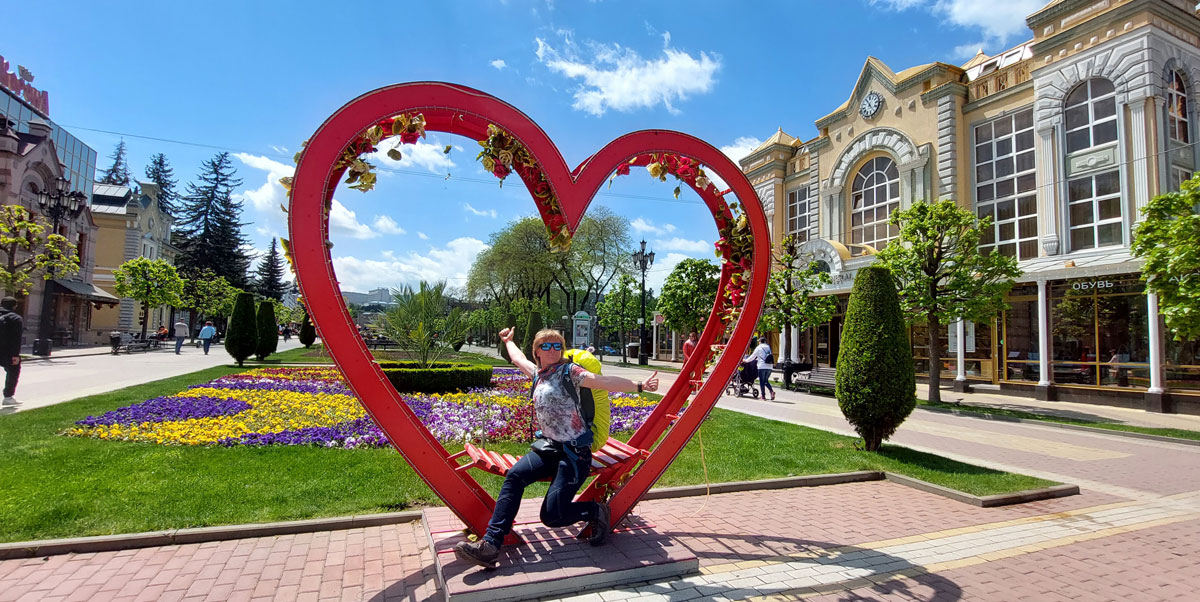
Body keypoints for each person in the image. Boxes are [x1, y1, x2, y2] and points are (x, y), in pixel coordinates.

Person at [454, 327, 660, 569]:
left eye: (557, 346)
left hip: (574, 454)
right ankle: (490, 545)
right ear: (537, 351)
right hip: (549, 448)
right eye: (546, 345)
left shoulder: (570, 372)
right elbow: (517, 358)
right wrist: (508, 340)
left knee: (552, 516)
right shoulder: (537, 374)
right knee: (515, 476)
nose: (552, 350)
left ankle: (595, 510)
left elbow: (603, 382)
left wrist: (640, 385)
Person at [0, 297, 23, 406]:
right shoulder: (15, 318)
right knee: (13, 371)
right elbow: (16, 338)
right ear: (14, 306)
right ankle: (8, 397)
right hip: (7, 351)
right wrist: (16, 355)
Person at [743, 336, 776, 401]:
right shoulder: (768, 347)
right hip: (769, 366)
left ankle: (763, 396)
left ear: (760, 342)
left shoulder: (758, 348)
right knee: (766, 380)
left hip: (762, 366)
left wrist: (746, 361)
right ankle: (771, 391)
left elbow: (753, 356)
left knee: (762, 381)